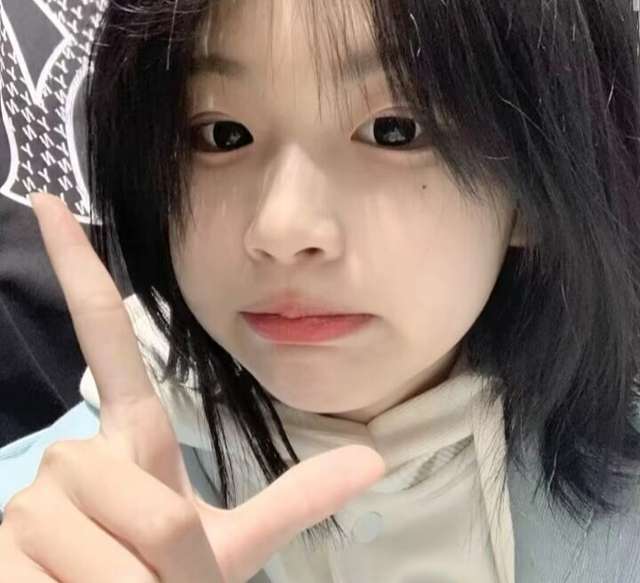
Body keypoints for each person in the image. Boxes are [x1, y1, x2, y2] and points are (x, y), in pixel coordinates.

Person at [1, 0, 640, 581]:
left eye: (394, 130)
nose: (281, 229)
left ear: (535, 186)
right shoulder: (58, 518)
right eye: (223, 134)